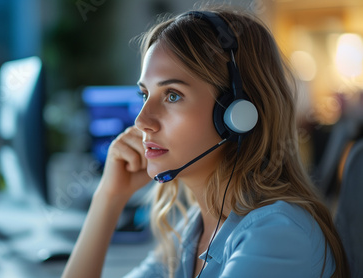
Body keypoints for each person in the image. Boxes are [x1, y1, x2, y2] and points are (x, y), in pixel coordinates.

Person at [62, 7, 350, 278]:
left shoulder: (278, 234)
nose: (141, 121)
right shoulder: (194, 230)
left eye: (172, 95)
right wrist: (109, 197)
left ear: (238, 114)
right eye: (144, 95)